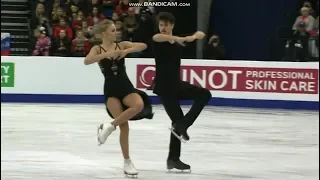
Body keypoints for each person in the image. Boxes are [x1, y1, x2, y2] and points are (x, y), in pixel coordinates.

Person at [84, 19, 154, 176]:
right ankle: (127, 161)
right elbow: (87, 61)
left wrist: (125, 52)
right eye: (113, 30)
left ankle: (109, 126)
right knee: (125, 126)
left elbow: (143, 46)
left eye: (116, 29)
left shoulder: (121, 45)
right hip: (111, 90)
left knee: (139, 105)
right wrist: (108, 54)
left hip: (126, 87)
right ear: (104, 33)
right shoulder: (97, 48)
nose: (116, 32)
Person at [152, 12, 211, 171]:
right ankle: (174, 158)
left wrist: (195, 36)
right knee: (176, 121)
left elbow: (201, 34)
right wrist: (185, 38)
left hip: (176, 85)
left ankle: (184, 125)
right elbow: (157, 37)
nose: (163, 28)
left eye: (166, 25)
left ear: (172, 26)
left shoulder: (176, 43)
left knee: (204, 94)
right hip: (164, 89)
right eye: (161, 25)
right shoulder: (158, 40)